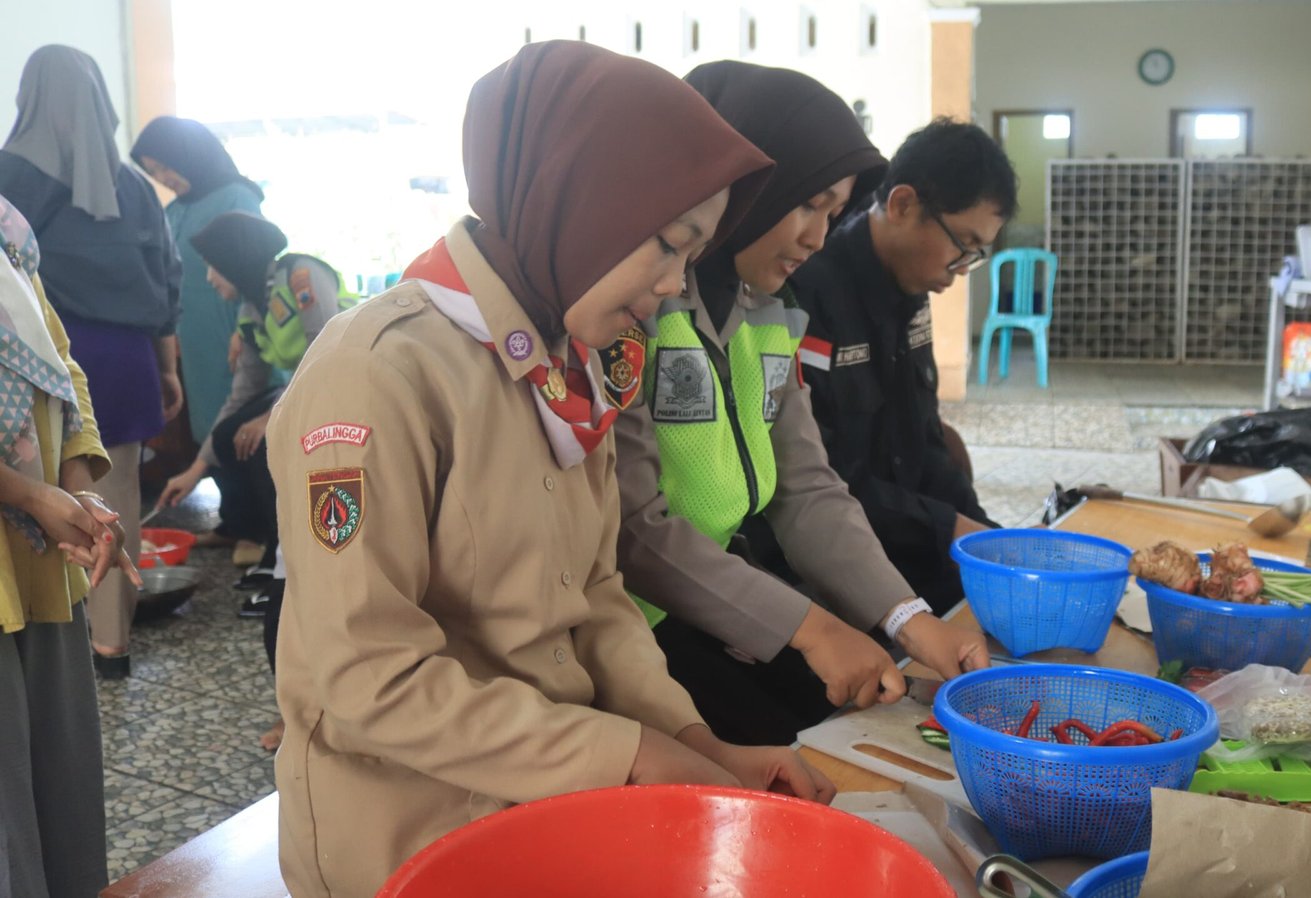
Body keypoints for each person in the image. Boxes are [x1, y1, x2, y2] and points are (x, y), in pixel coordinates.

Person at [265, 42, 834, 898]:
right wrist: (629, 755)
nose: (677, 287)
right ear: (583, 204)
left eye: (694, 255)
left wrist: (691, 738)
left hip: (559, 807)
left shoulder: (574, 362)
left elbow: (597, 594)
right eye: (670, 246)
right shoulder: (380, 372)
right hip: (411, 838)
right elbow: (369, 680)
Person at [616, 62, 990, 749]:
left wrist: (907, 616)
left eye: (834, 212)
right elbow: (637, 532)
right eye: (808, 203)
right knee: (795, 747)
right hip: (642, 625)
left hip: (730, 600)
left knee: (867, 721)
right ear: (752, 187)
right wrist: (809, 628)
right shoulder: (638, 311)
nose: (819, 236)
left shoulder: (770, 314)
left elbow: (808, 487)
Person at [0, 46, 183, 679]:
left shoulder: (10, 175)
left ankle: (41, 637)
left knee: (37, 497)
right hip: (130, 355)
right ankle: (113, 642)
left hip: (46, 360)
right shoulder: (133, 182)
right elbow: (167, 276)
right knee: (116, 497)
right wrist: (167, 367)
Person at [786, 118, 1017, 612]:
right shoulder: (807, 294)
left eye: (975, 256)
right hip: (837, 574)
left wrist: (988, 537)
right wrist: (948, 527)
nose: (958, 272)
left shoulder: (912, 285)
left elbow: (925, 443)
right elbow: (820, 479)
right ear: (903, 204)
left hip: (915, 553)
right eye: (962, 246)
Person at [154, 210, 357, 750]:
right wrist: (195, 467)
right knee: (231, 439)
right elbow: (242, 394)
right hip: (307, 411)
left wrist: (275, 415)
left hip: (352, 407)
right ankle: (273, 545)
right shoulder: (251, 310)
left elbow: (329, 354)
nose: (208, 279)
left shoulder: (301, 277)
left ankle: (276, 550)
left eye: (212, 266)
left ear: (235, 257)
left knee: (308, 577)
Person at [0, 192, 139, 898]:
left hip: (38, 559)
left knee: (62, 786)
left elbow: (60, 364)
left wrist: (77, 485)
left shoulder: (8, 231)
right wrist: (29, 495)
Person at [132, 116, 265, 549]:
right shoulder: (173, 210)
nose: (163, 178)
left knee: (241, 415)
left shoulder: (236, 195)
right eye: (153, 172)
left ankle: (259, 526)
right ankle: (233, 519)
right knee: (209, 417)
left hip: (232, 329)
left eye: (165, 166)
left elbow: (255, 262)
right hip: (193, 337)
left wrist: (246, 326)